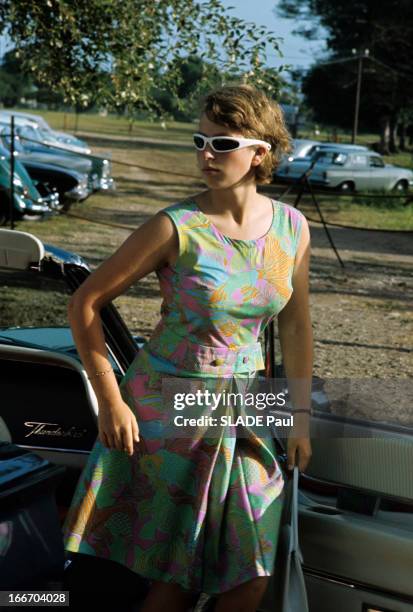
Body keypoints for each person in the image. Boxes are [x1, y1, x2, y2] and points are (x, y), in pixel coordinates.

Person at [62, 83, 313, 612]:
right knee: (174, 577)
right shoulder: (177, 226)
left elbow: (295, 327)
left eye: (222, 143)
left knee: (252, 574)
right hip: (166, 414)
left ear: (259, 152)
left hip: (247, 412)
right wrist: (111, 401)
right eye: (200, 140)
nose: (205, 154)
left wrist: (299, 418)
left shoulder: (293, 228)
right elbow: (85, 303)